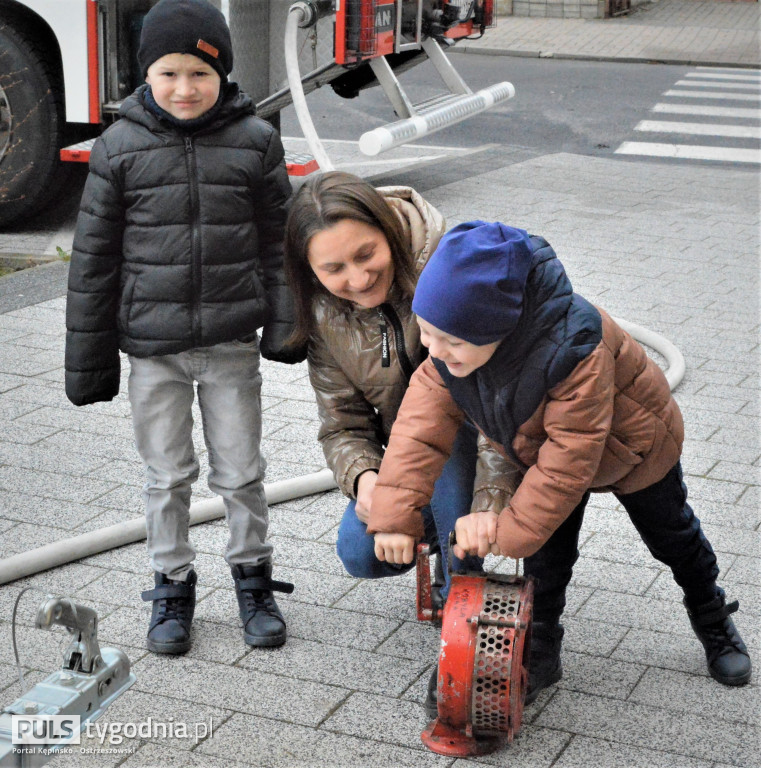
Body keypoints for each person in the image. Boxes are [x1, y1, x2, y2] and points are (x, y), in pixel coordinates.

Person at [369, 220, 752, 703]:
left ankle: (711, 612)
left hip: (633, 448)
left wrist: (502, 529)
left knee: (673, 536)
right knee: (545, 559)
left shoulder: (577, 347)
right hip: (540, 448)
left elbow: (568, 462)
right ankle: (542, 649)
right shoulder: (449, 352)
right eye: (426, 332)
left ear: (501, 330)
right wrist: (394, 519)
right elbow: (416, 436)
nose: (434, 351)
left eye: (450, 341)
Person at [64, 0, 304, 655]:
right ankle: (171, 585)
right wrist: (89, 361)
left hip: (230, 347)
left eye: (199, 73)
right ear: (148, 75)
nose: (184, 88)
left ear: (221, 72)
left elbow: (278, 239)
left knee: (241, 474)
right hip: (153, 354)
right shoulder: (119, 147)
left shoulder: (255, 140)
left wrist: (287, 324)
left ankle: (252, 580)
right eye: (168, 73)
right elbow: (93, 260)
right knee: (166, 477)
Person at [284, 173, 517, 713]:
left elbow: (498, 411)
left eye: (366, 254)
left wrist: (486, 510)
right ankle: (449, 552)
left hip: (487, 438)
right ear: (309, 271)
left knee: (453, 465)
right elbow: (342, 424)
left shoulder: (451, 271)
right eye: (333, 269)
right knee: (361, 554)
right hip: (412, 454)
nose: (359, 278)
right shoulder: (324, 314)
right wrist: (367, 482)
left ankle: (463, 610)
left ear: (389, 231)